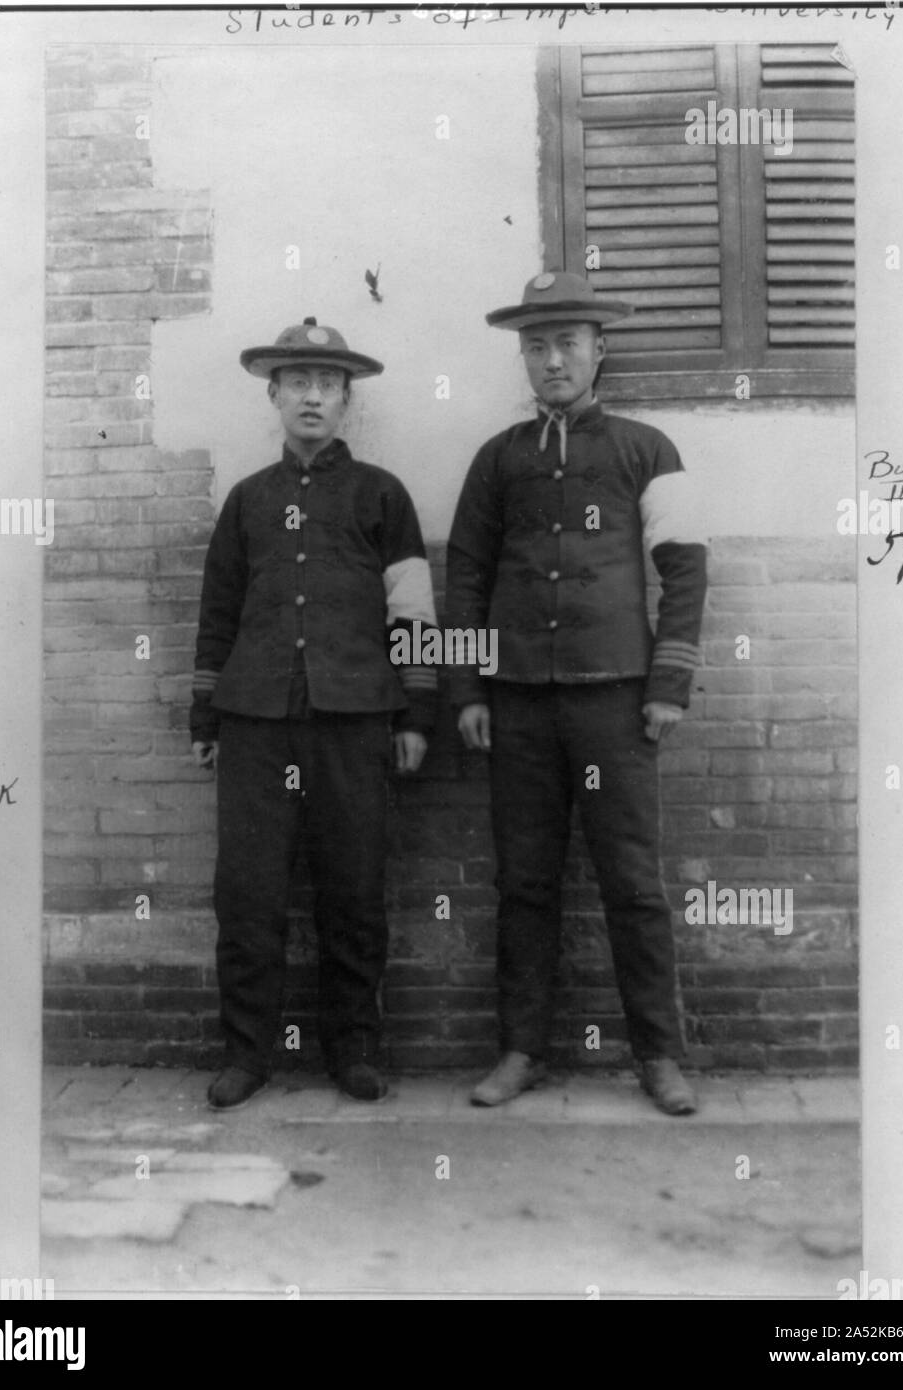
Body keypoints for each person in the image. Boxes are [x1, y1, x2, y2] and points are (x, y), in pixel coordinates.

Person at [445, 271, 707, 1115]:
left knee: (632, 883)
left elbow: (686, 571)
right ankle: (520, 1050)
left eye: (567, 343)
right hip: (518, 703)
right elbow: (466, 578)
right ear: (522, 357)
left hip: (616, 702)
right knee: (524, 882)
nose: (551, 359)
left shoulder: (647, 449)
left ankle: (660, 1059)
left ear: (600, 349)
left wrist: (669, 682)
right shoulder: (498, 461)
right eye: (536, 345)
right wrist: (467, 692)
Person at [191, 317, 437, 1110]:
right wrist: (206, 719)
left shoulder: (382, 495)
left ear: (345, 401)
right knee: (250, 894)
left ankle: (355, 1052)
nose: (311, 396)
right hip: (257, 723)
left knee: (354, 890)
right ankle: (247, 1054)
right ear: (273, 394)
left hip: (354, 720)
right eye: (296, 381)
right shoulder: (247, 500)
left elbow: (415, 615)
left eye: (327, 384)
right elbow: (218, 612)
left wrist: (414, 717)